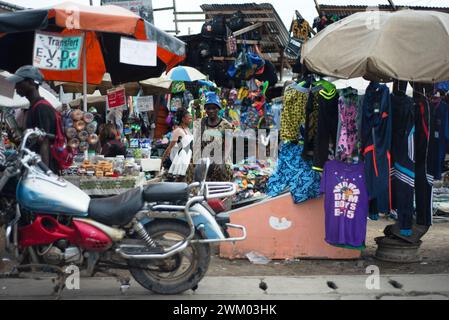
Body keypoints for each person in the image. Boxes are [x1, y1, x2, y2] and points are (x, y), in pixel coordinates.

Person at [7, 66, 57, 171]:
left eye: (18, 82)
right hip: (32, 167)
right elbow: (32, 142)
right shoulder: (32, 107)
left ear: (31, 82)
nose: (15, 87)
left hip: (41, 170)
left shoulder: (42, 108)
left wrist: (45, 174)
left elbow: (45, 143)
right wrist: (15, 138)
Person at [194, 91, 234, 182]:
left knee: (225, 169)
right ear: (205, 110)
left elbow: (228, 146)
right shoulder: (201, 123)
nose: (211, 111)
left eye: (214, 108)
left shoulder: (226, 125)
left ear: (218, 109)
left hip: (221, 157)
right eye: (208, 108)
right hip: (205, 157)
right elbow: (197, 144)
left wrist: (222, 161)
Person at [161, 108, 193, 181]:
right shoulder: (177, 131)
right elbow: (169, 148)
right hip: (182, 160)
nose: (191, 120)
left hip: (188, 159)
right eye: (189, 118)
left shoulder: (188, 130)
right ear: (183, 119)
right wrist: (161, 161)